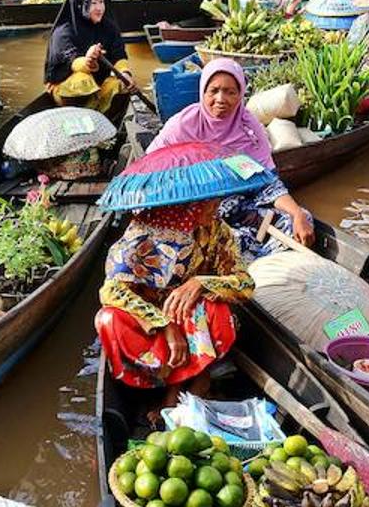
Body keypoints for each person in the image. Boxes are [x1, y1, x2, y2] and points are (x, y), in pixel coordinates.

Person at [95, 147, 255, 395]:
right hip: (151, 324)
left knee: (216, 310)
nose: (217, 206)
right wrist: (165, 325)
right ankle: (160, 384)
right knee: (107, 319)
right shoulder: (141, 234)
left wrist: (200, 284)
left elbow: (245, 284)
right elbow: (111, 291)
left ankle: (190, 384)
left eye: (216, 199)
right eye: (209, 201)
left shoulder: (217, 230)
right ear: (187, 204)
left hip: (191, 318)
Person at [147, 59, 313, 262]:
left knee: (297, 220)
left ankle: (238, 258)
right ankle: (233, 259)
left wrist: (297, 214)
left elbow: (267, 183)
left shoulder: (249, 129)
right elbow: (151, 170)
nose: (221, 99)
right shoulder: (182, 126)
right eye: (214, 90)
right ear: (203, 92)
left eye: (230, 92)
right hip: (193, 212)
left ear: (241, 94)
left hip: (238, 209)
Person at [45, 0, 129, 112]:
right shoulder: (63, 32)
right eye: (94, 3)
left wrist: (125, 73)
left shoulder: (109, 28)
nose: (100, 8)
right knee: (83, 80)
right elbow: (71, 60)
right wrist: (88, 60)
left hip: (99, 85)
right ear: (80, 5)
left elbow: (119, 55)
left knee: (123, 84)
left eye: (101, 2)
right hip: (65, 87)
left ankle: (102, 114)